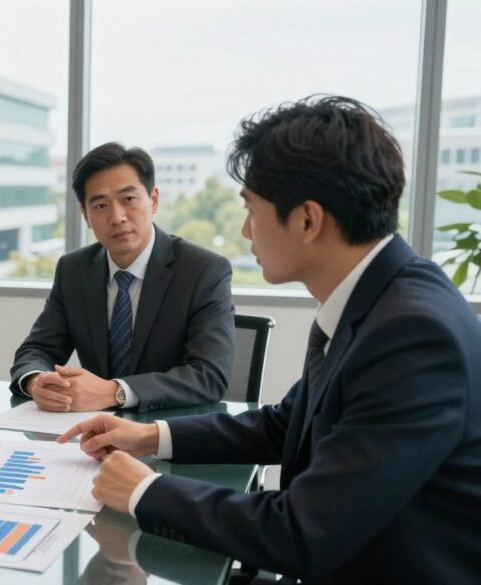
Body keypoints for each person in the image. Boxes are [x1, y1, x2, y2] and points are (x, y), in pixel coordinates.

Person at [59, 96, 481, 582]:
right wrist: (149, 436)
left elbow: (303, 533)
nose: (244, 230)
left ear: (307, 220)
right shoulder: (381, 299)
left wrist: (146, 491)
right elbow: (287, 425)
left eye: (252, 209)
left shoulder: (414, 337)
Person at [10, 142, 234, 412]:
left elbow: (208, 376)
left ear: (153, 200)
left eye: (128, 199)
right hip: (90, 433)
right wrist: (36, 382)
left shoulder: (203, 271)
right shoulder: (74, 270)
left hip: (168, 435)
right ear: (86, 216)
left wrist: (115, 392)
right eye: (101, 205)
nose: (117, 217)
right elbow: (36, 350)